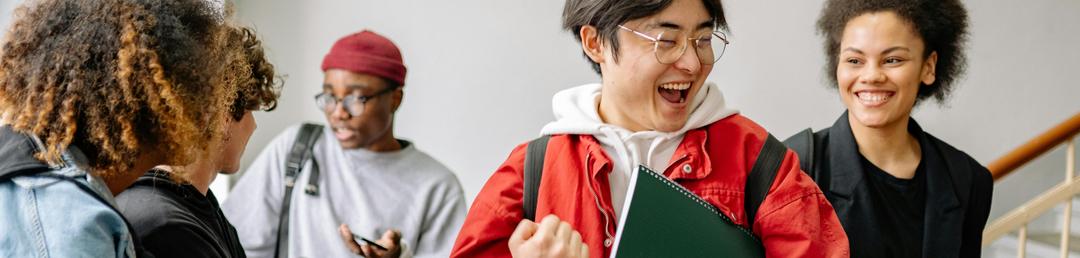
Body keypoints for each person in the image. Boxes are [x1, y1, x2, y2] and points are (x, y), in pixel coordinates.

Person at [451, 0, 849, 257]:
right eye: (666, 39)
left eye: (703, 38)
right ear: (595, 43)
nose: (692, 64)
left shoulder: (759, 160)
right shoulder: (532, 172)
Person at [0, 0, 234, 257]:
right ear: (148, 100)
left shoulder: (52, 188)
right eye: (196, 88)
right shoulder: (70, 223)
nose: (209, 108)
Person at [223, 30, 467, 258]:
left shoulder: (437, 187)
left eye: (356, 98)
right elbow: (235, 242)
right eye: (330, 96)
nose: (338, 113)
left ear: (395, 99)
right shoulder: (297, 148)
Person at [783, 0, 992, 256]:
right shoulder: (794, 168)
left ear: (928, 67)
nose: (871, 76)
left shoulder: (968, 180)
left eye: (892, 60)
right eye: (854, 60)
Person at [115, 26, 281, 258]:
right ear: (224, 117)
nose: (254, 126)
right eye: (251, 110)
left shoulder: (197, 207)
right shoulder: (165, 225)